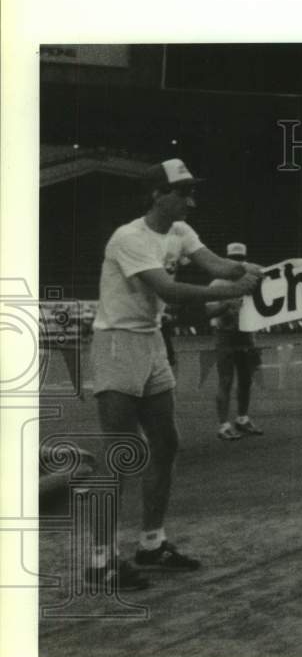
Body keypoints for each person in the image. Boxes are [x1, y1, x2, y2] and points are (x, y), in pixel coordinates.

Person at [88, 158, 261, 590]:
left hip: (149, 342)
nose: (191, 199)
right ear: (157, 195)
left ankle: (151, 543)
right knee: (120, 453)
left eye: (190, 191)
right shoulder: (129, 238)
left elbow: (218, 265)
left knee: (165, 444)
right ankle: (100, 560)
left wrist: (253, 271)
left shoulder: (180, 232)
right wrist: (236, 289)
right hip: (117, 343)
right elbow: (168, 291)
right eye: (182, 192)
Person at [206, 242, 264, 440]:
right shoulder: (217, 284)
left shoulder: (251, 282)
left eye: (241, 260)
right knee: (226, 379)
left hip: (246, 333)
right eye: (234, 260)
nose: (237, 264)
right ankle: (223, 424)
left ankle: (242, 418)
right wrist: (225, 305)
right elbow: (208, 312)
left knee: (246, 379)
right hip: (225, 333)